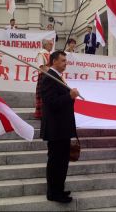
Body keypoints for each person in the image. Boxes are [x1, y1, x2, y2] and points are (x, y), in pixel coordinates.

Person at [40, 50, 79, 203]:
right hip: (56, 129)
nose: (65, 63)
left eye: (65, 60)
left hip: (62, 128)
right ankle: (53, 193)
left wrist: (70, 97)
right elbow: (51, 102)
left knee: (62, 161)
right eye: (63, 60)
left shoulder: (58, 77)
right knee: (55, 161)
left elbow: (61, 100)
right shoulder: (49, 78)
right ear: (54, 61)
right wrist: (69, 96)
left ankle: (59, 189)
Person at [34, 39, 53, 119]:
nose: (52, 45)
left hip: (50, 76)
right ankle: (41, 114)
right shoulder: (41, 54)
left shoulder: (50, 54)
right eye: (50, 44)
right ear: (45, 45)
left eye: (52, 44)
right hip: (44, 76)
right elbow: (41, 66)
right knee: (43, 95)